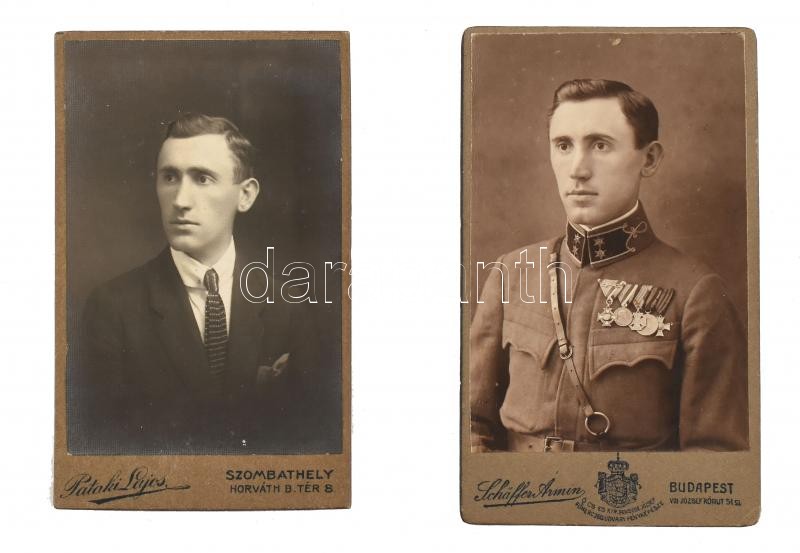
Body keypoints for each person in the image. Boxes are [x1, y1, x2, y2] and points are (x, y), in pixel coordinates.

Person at [469, 79, 748, 453]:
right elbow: (470, 425)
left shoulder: (695, 292)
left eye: (600, 145)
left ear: (649, 159)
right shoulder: (513, 272)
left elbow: (713, 460)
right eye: (563, 146)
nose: (578, 169)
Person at [70, 113, 336, 455]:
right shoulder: (112, 308)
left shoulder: (290, 304)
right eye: (170, 177)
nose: (180, 200)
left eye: (202, 178)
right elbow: (104, 444)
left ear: (246, 195)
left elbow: (312, 436)